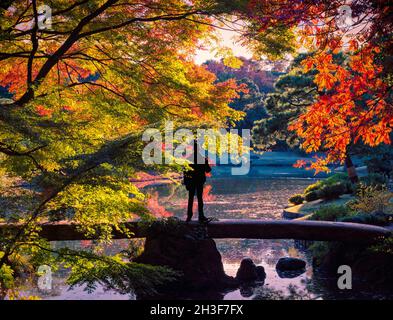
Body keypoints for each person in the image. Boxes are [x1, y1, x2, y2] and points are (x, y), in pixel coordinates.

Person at [183, 140, 211, 222]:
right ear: (198, 149)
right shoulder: (202, 158)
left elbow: (185, 172)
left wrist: (186, 182)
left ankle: (189, 216)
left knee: (190, 198)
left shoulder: (188, 159)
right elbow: (208, 170)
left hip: (191, 181)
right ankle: (201, 216)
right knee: (199, 198)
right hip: (199, 181)